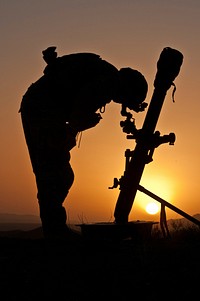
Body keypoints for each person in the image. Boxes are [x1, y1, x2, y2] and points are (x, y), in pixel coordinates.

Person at [19, 46, 148, 240]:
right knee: (56, 174)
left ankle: (54, 230)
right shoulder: (108, 83)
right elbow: (78, 114)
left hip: (39, 107)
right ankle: (55, 234)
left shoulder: (106, 76)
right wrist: (82, 124)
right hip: (42, 110)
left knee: (54, 172)